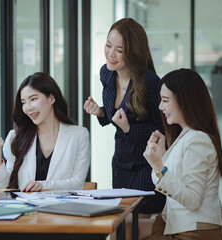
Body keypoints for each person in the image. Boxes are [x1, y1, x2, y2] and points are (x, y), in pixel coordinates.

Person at [84, 18, 165, 216]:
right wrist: (101, 112)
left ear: (133, 52)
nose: (111, 54)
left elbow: (164, 129)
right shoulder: (107, 73)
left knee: (134, 226)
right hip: (121, 163)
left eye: (119, 50)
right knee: (119, 225)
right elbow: (115, 115)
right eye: (108, 45)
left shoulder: (150, 82)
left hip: (146, 166)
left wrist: (129, 128)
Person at [142, 69, 222, 239]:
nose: (160, 107)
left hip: (195, 232)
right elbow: (178, 178)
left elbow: (192, 200)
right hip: (181, 223)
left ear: (185, 102)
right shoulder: (187, 135)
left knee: (125, 230)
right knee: (124, 227)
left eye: (165, 100)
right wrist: (163, 155)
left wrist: (158, 165)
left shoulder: (198, 140)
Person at [0, 72, 90, 192]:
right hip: (26, 208)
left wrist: (44, 185)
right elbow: (8, 185)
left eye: (33, 99)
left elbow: (77, 184)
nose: (28, 107)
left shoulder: (79, 135)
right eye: (23, 102)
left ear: (51, 98)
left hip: (61, 208)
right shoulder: (15, 136)